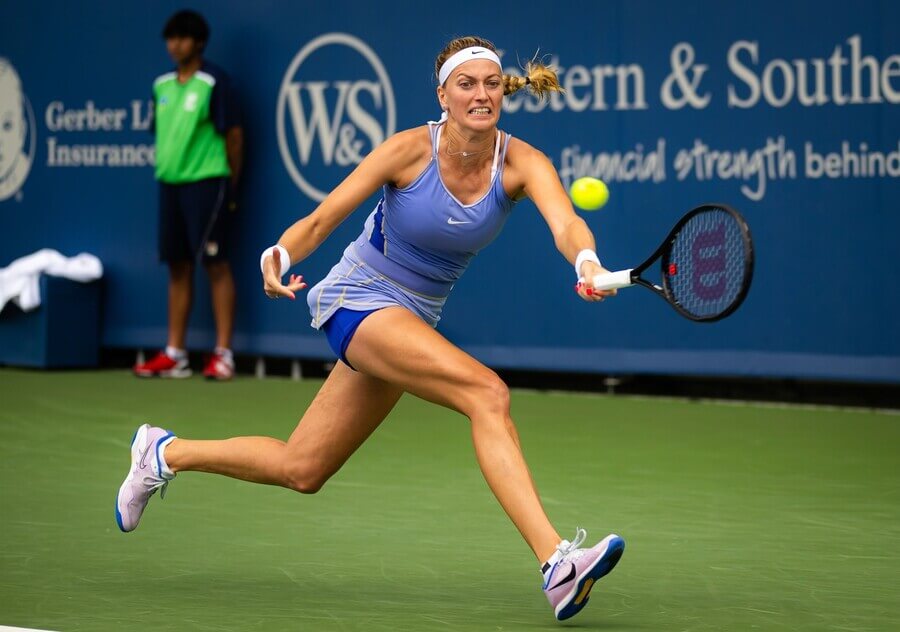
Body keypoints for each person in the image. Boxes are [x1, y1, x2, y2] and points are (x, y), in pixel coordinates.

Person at [117, 36, 623, 621]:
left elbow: (567, 224)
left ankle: (163, 452)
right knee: (487, 393)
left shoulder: (522, 163)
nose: (480, 95)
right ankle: (556, 563)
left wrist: (586, 263)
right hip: (359, 299)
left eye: (490, 84)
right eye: (467, 84)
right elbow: (324, 217)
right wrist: (278, 254)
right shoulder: (408, 150)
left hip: (412, 318)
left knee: (301, 468)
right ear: (443, 95)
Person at [133, 10, 244, 381]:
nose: (173, 45)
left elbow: (234, 136)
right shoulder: (161, 85)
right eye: (170, 38)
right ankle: (176, 353)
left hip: (208, 184)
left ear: (197, 43)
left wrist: (231, 185)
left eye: (181, 38)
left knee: (216, 265)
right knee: (178, 266)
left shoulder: (214, 82)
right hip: (170, 185)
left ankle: (223, 354)